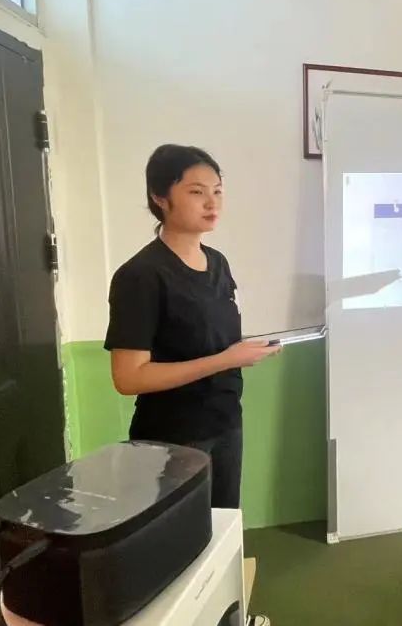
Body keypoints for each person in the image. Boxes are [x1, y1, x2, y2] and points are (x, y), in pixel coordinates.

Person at [104, 144, 280, 510]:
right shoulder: (140, 275)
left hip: (226, 421)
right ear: (160, 197)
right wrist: (225, 359)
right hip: (172, 437)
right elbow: (128, 378)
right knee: (179, 535)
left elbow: (209, 339)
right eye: (197, 192)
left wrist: (244, 350)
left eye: (218, 191)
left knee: (224, 525)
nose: (212, 203)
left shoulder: (217, 263)